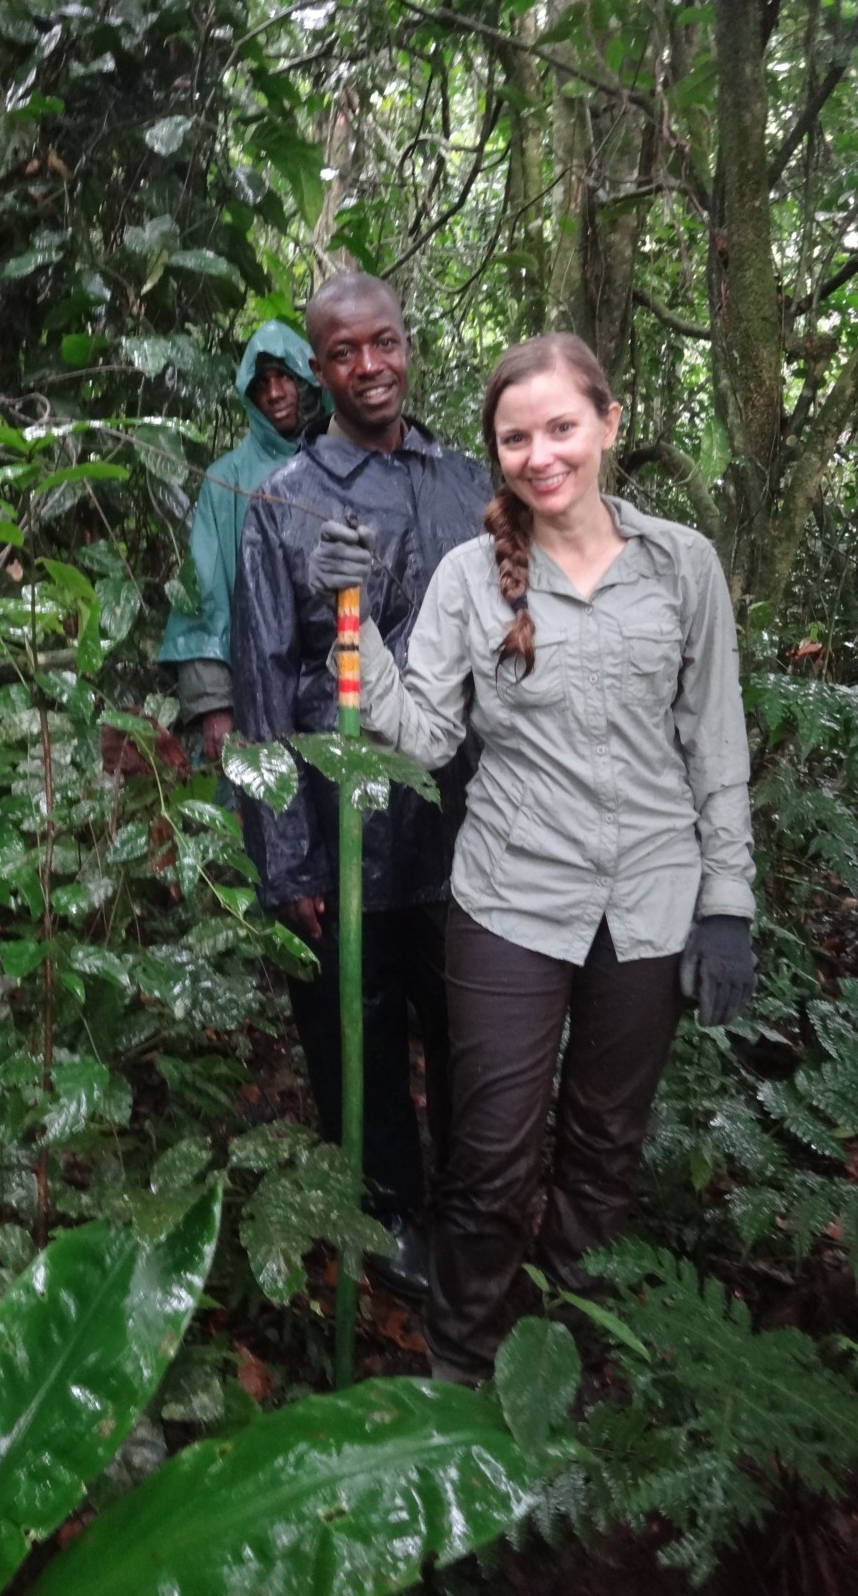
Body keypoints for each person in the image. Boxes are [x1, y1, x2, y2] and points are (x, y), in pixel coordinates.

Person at [309, 332, 756, 1377]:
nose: (540, 453)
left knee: (605, 1154)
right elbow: (419, 733)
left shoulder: (682, 564)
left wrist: (726, 902)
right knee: (493, 1156)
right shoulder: (473, 577)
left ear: (609, 423)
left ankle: (563, 1361)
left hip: (651, 899)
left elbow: (715, 741)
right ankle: (459, 1366)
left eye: (561, 427)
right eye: (516, 436)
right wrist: (353, 617)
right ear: (496, 452)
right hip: (510, 899)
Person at [232, 272, 493, 1296]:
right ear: (319, 366)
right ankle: (388, 1213)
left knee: (470, 1027)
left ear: (405, 342)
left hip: (469, 823)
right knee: (357, 1034)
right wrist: (282, 853)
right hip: (343, 825)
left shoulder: (465, 479)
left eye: (383, 343)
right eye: (345, 353)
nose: (370, 367)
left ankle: (475, 1210)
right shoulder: (284, 502)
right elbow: (261, 682)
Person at [158, 322, 322, 760]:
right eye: (262, 382)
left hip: (336, 687)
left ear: (308, 378)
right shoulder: (225, 481)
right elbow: (204, 594)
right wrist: (215, 705)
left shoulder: (340, 464)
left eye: (284, 376)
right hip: (254, 691)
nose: (275, 393)